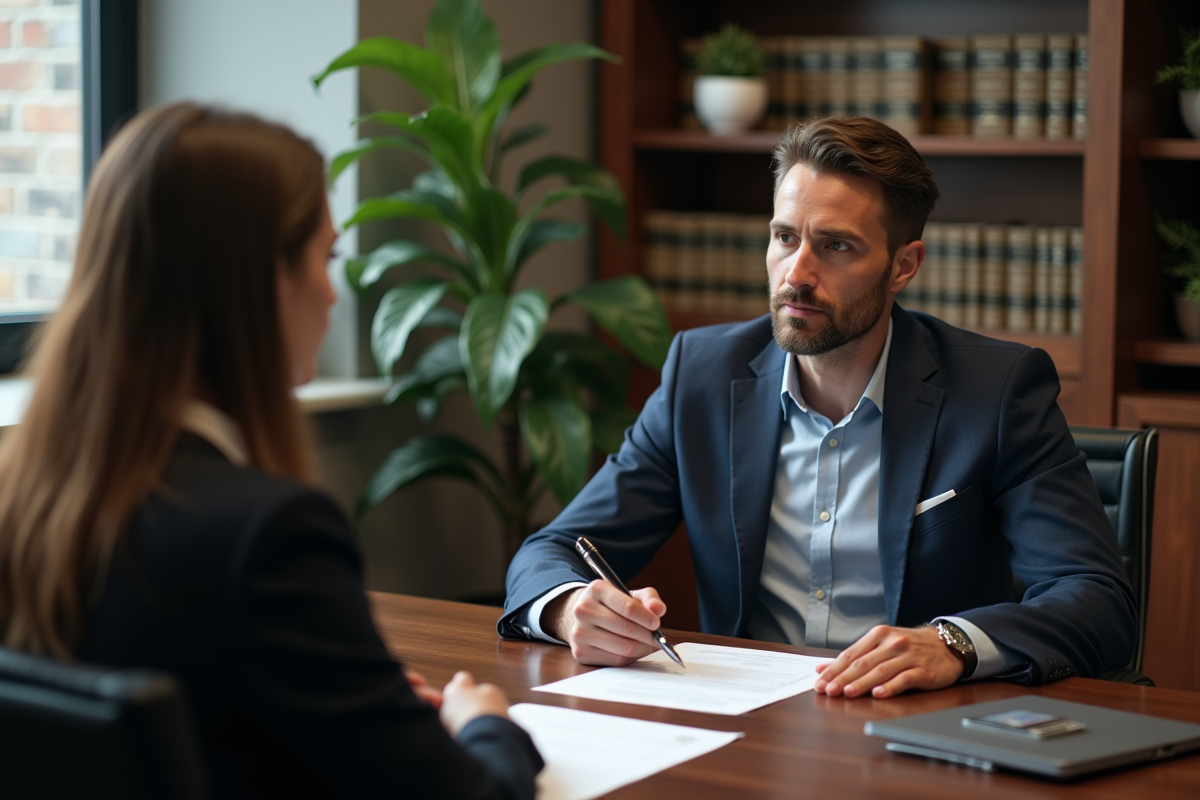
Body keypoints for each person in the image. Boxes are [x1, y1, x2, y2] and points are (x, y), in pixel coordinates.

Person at [0, 103, 541, 799]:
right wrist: (485, 724)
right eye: (326, 257)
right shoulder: (267, 535)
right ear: (258, 282)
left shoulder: (30, 496)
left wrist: (353, 695)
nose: (329, 292)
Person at [500, 116, 1136, 699]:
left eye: (836, 246)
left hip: (916, 729)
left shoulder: (997, 391)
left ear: (903, 265)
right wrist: (567, 608)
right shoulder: (702, 374)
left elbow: (1098, 601)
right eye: (784, 237)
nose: (795, 274)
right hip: (743, 725)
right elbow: (555, 548)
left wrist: (951, 643)